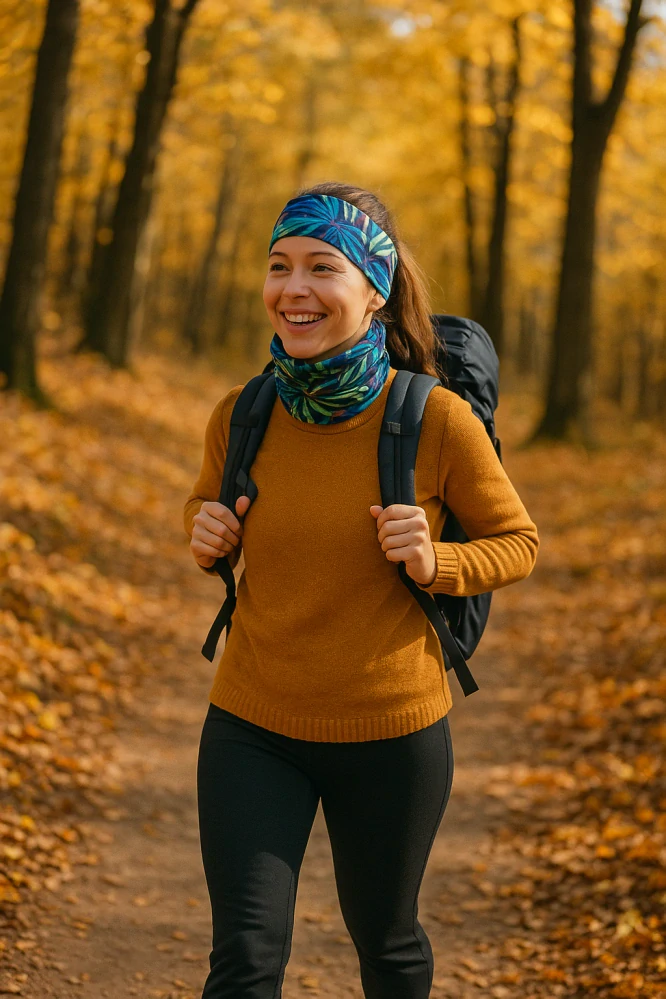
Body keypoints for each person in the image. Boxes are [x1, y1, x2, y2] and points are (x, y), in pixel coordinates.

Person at [183, 180, 539, 999]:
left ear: (373, 290)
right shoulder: (241, 413)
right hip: (250, 724)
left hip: (393, 733)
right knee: (243, 956)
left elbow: (517, 542)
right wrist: (204, 532)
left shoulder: (437, 419)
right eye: (279, 266)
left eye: (321, 267)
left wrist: (435, 562)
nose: (293, 289)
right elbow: (207, 505)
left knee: (388, 944)